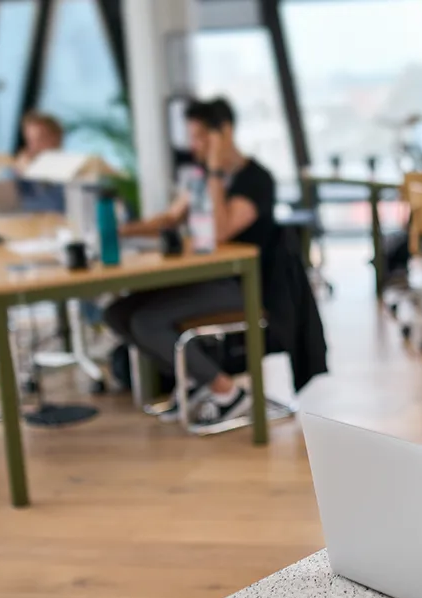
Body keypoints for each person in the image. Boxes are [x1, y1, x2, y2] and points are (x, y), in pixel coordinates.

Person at [103, 98, 327, 424]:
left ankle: (227, 392)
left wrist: (216, 171)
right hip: (206, 278)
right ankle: (196, 379)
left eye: (201, 137)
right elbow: (168, 218)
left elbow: (220, 231)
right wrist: (118, 230)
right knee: (118, 312)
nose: (195, 146)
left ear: (224, 133)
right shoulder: (198, 175)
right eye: (191, 138)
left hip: (244, 285)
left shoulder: (256, 179)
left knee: (146, 322)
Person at [13, 111, 66, 212]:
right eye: (30, 141)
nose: (33, 147)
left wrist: (30, 173)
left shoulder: (68, 172)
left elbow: (54, 208)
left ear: (56, 139)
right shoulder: (26, 173)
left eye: (40, 139)